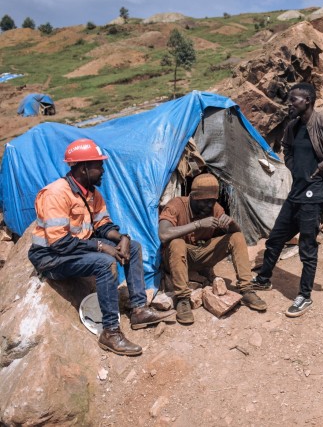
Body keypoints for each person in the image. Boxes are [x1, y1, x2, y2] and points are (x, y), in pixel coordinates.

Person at [28, 138, 175, 357]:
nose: (103, 170)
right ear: (84, 168)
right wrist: (100, 246)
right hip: (50, 257)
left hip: (74, 249)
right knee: (105, 263)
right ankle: (110, 332)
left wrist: (120, 238)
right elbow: (59, 243)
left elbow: (102, 225)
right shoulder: (56, 194)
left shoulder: (92, 193)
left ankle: (138, 309)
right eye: (99, 166)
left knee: (133, 246)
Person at [250, 82, 323, 317]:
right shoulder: (292, 126)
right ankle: (263, 278)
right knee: (275, 239)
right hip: (296, 193)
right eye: (289, 100)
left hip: (314, 195)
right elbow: (287, 148)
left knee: (307, 247)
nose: (290, 104)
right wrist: (291, 165)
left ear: (307, 101)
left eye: (294, 100)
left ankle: (304, 296)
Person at [159, 173, 267, 324]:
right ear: (193, 196)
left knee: (236, 237)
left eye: (212, 201)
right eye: (205, 201)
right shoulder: (176, 205)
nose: (210, 205)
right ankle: (183, 299)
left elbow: (235, 232)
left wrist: (231, 223)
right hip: (176, 258)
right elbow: (163, 234)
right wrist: (199, 224)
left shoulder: (214, 208)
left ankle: (247, 289)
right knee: (177, 243)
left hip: (201, 255)